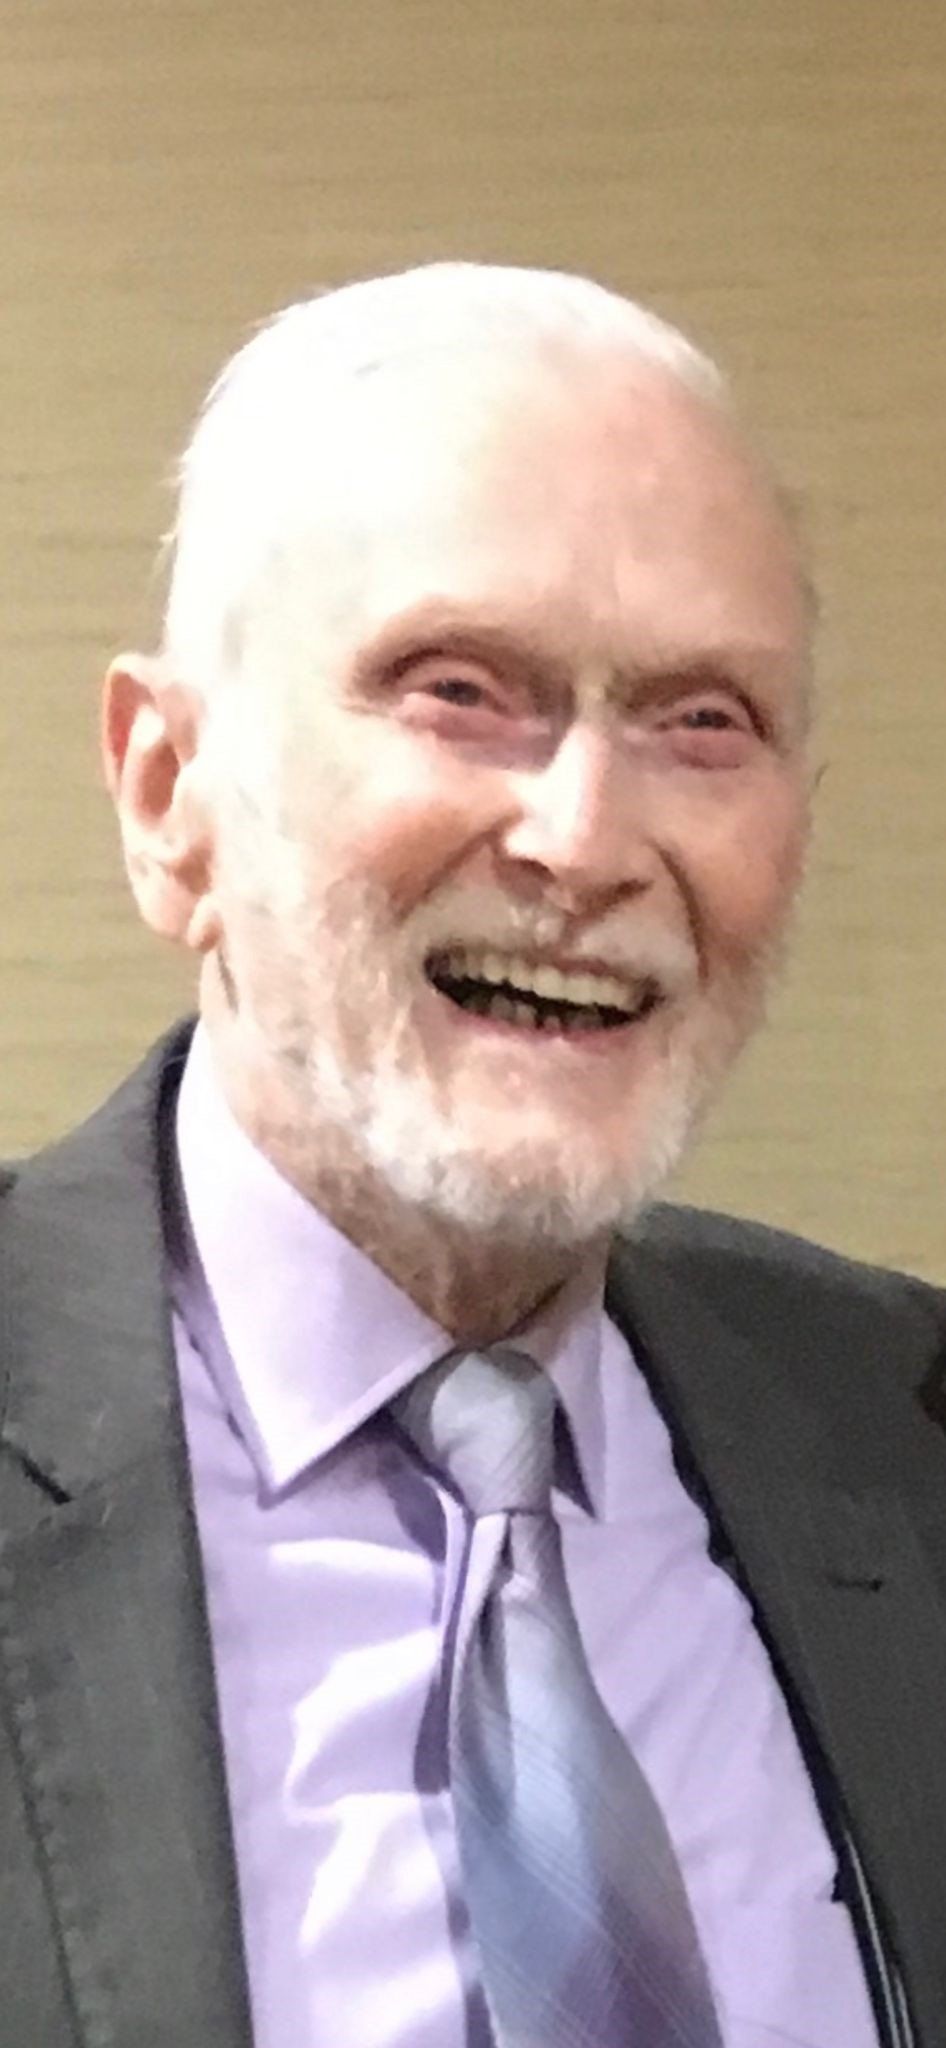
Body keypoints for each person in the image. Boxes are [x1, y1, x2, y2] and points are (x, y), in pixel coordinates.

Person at [1, 262, 944, 2048]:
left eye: (703, 722)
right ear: (168, 793)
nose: (584, 839)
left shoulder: (903, 1419)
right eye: (455, 691)